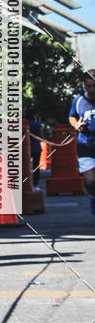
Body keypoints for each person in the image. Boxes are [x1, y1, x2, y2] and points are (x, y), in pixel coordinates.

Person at [68, 69, 95, 216]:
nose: (91, 90)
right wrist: (76, 125)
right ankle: (92, 196)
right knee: (91, 181)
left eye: (94, 86)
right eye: (88, 86)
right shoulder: (78, 100)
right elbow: (72, 116)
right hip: (86, 146)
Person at [27, 110, 44, 186]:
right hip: (36, 146)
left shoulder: (25, 124)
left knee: (25, 165)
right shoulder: (37, 124)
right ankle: (35, 183)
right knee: (36, 165)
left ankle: (27, 182)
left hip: (27, 147)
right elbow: (41, 135)